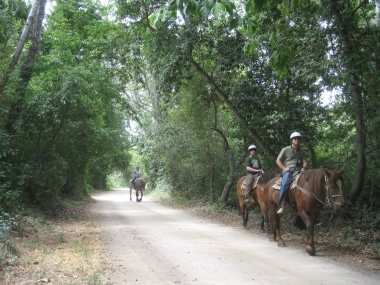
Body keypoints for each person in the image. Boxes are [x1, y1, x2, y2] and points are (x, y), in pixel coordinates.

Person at [276, 132, 308, 214]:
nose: (296, 140)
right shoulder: (285, 149)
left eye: (298, 139)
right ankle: (282, 205)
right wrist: (284, 168)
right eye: (295, 139)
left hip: (299, 171)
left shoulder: (302, 152)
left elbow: (304, 162)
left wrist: (303, 167)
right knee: (285, 184)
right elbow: (278, 160)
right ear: (292, 140)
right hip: (289, 171)